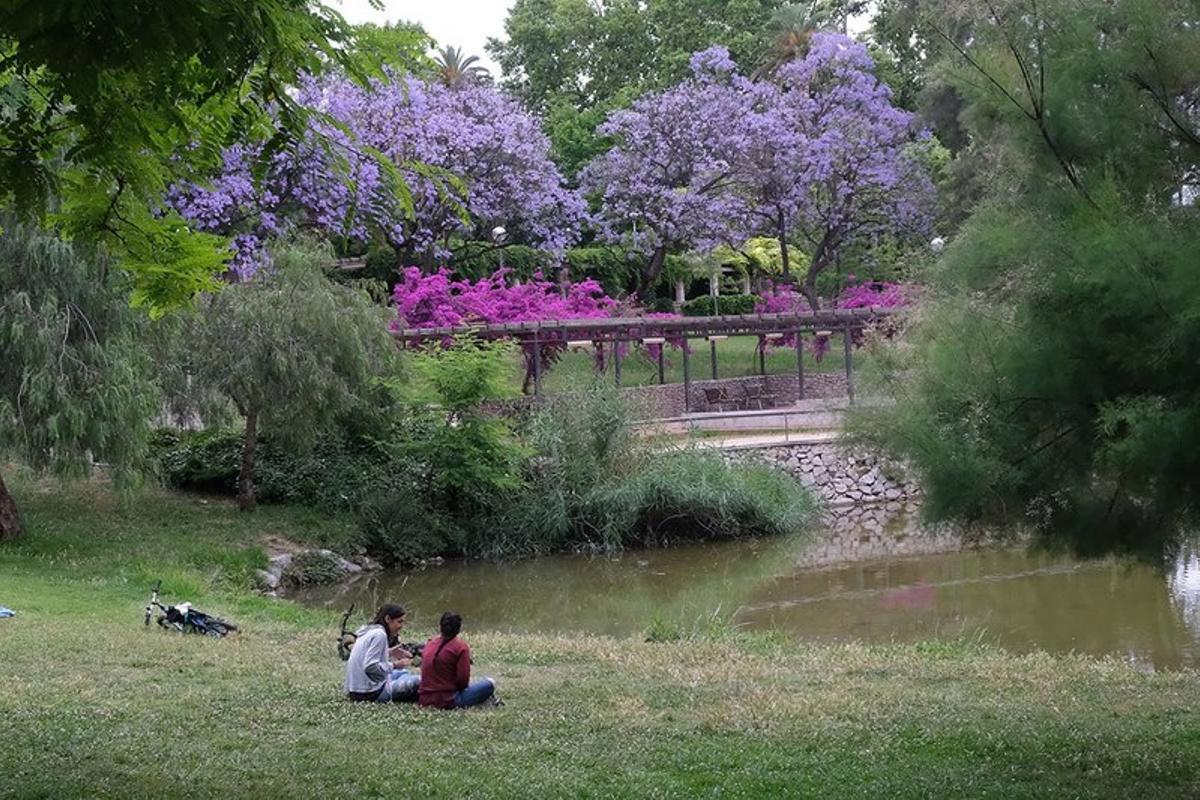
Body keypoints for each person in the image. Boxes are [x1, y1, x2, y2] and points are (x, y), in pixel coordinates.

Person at [419, 611, 497, 709]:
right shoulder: (460, 647)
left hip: (424, 698)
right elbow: (463, 681)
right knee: (489, 683)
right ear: (459, 628)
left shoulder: (430, 643)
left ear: (441, 626)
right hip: (448, 700)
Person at [344, 603, 420, 703]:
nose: (401, 626)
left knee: (403, 673)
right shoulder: (379, 635)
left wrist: (390, 652)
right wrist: (394, 665)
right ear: (388, 619)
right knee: (419, 680)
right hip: (369, 694)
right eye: (399, 622)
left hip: (354, 690)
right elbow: (370, 667)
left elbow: (365, 656)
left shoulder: (369, 630)